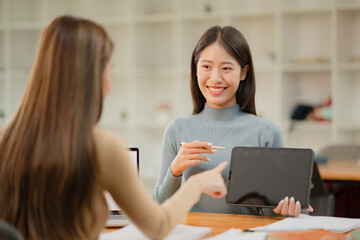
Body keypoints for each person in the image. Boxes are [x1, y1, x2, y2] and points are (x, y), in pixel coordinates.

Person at [0, 16, 228, 240]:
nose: (111, 75)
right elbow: (158, 227)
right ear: (93, 75)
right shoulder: (102, 147)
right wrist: (196, 185)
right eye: (110, 67)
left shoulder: (6, 140)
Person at [153, 25, 313, 217]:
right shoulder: (176, 130)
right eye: (206, 66)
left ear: (243, 72)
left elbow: (271, 217)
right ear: (195, 70)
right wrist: (175, 170)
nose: (215, 78)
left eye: (226, 68)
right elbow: (157, 210)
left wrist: (285, 211)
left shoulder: (266, 132)